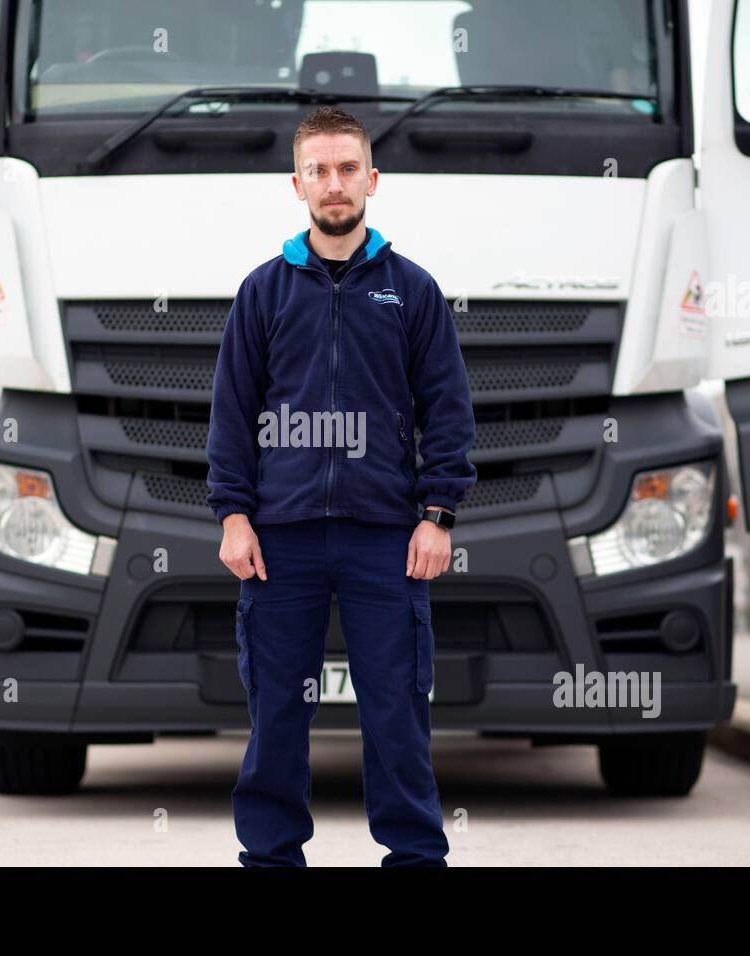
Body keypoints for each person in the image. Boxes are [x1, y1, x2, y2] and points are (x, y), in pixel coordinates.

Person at [205, 106, 477, 866]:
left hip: (385, 539)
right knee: (278, 719)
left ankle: (416, 858)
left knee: (395, 715)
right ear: (297, 184)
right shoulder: (263, 292)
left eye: (348, 168)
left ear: (372, 179)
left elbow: (448, 410)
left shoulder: (412, 290)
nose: (334, 184)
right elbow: (231, 415)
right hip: (281, 540)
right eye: (319, 171)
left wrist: (438, 514)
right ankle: (270, 858)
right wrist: (233, 515)